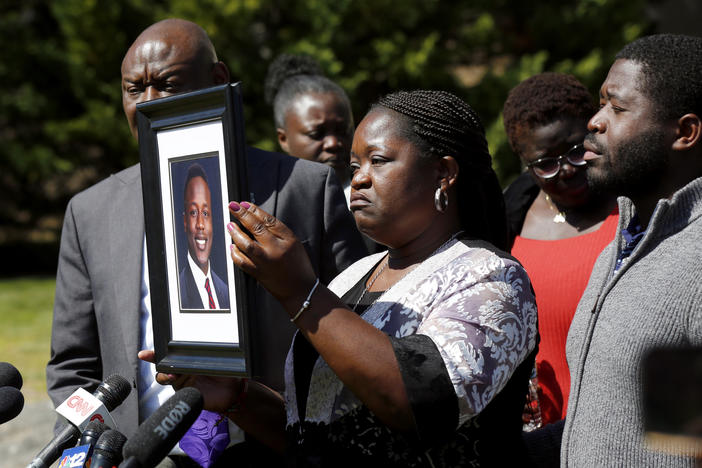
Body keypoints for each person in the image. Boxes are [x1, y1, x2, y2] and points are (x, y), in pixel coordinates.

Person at [153, 90, 539, 466]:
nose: (358, 179)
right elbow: (312, 434)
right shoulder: (352, 278)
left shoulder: (492, 277)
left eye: (379, 160)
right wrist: (239, 397)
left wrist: (301, 292)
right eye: (354, 167)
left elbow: (422, 405)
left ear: (444, 173)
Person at [45, 17, 366, 462]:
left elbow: (357, 333)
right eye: (134, 89)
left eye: (167, 85)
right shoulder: (91, 212)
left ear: (218, 80)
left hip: (278, 449)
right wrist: (95, 447)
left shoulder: (305, 188)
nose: (147, 103)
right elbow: (72, 366)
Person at [525, 34, 702, 466]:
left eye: (617, 108)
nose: (595, 121)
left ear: (685, 132)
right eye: (601, 103)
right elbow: (663, 432)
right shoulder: (623, 247)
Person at [502, 73, 618, 425]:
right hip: (542, 435)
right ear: (525, 162)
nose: (566, 170)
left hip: (623, 424)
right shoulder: (508, 221)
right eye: (546, 163)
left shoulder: (637, 206)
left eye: (575, 150)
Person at [264, 53, 354, 201]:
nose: (333, 143)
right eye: (316, 134)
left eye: (343, 131)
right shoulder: (268, 204)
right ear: (283, 139)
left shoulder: (380, 206)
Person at [178, 163, 229, 310]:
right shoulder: (177, 293)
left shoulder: (226, 292)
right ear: (185, 221)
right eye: (193, 213)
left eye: (205, 214)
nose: (201, 224)